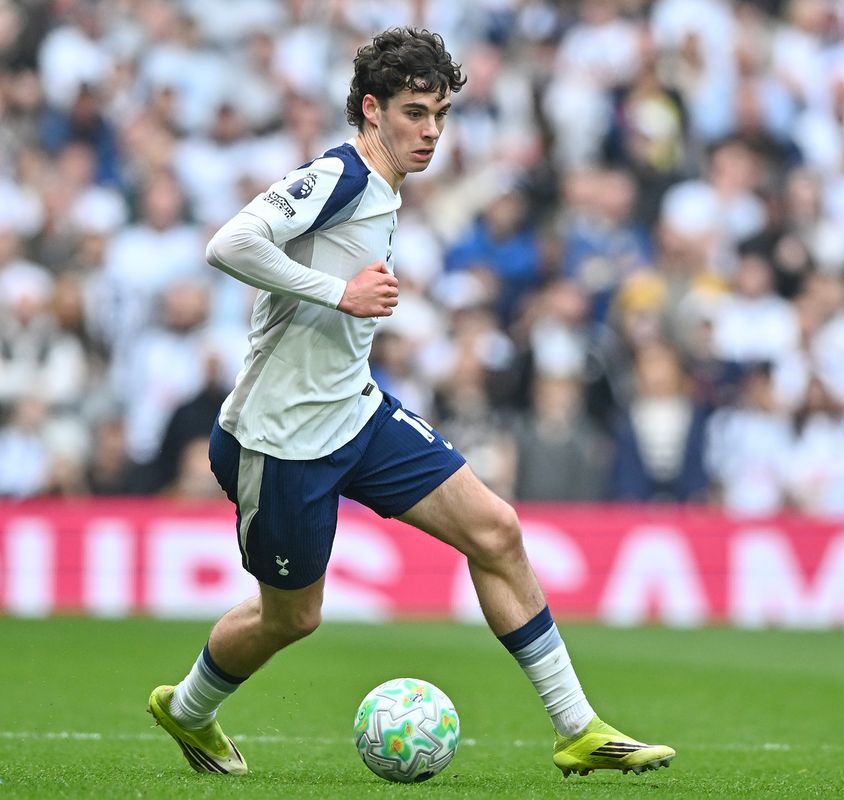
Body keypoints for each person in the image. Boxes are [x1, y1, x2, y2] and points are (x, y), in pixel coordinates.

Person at [146, 28, 673, 779]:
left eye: (441, 114)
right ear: (371, 109)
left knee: (496, 531)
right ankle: (188, 708)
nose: (430, 131)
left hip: (355, 413)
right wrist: (342, 293)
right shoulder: (341, 175)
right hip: (281, 441)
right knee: (293, 618)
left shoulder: (384, 186)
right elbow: (229, 243)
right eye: (415, 113)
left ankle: (576, 729)